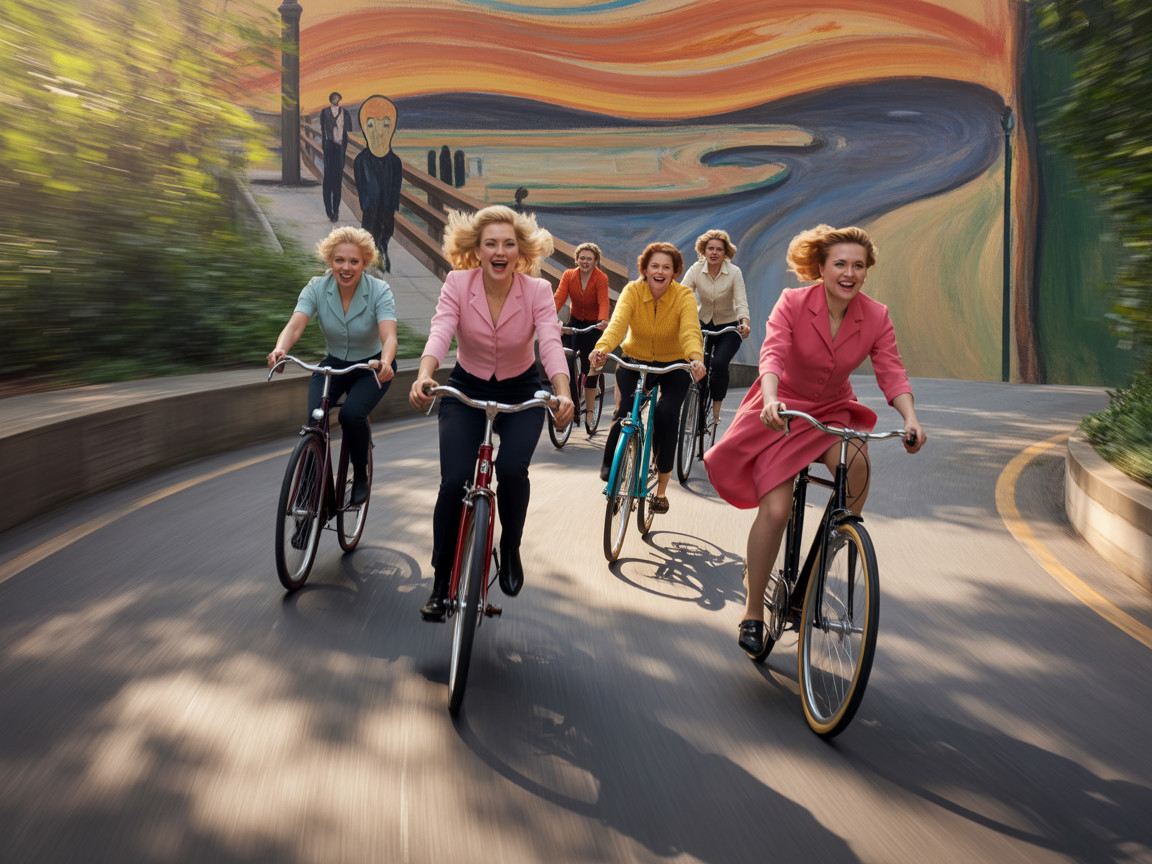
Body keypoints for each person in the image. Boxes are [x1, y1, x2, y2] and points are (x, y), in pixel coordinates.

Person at [702, 224, 926, 658]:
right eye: (840, 264)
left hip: (832, 411)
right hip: (783, 412)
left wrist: (911, 418)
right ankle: (751, 611)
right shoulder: (793, 302)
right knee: (778, 509)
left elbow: (891, 371)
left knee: (857, 466)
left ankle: (827, 558)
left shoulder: (876, 315)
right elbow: (773, 353)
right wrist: (769, 399)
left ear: (866, 271)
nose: (849, 273)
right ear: (820, 268)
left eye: (858, 266)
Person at [409, 205, 574, 621]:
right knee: (454, 482)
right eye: (490, 244)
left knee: (514, 470)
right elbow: (441, 329)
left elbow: (550, 342)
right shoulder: (457, 283)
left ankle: (511, 547)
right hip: (466, 386)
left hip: (522, 388)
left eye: (508, 244)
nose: (500, 252)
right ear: (477, 250)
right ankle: (440, 581)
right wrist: (425, 375)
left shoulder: (536, 291)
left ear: (520, 251)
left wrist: (562, 392)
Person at [267, 226, 399, 506]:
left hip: (372, 367)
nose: (346, 267)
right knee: (315, 423)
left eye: (354, 261)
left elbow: (389, 337)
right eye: (339, 260)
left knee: (351, 415)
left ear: (365, 263)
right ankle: (307, 496)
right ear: (330, 261)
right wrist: (281, 349)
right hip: (334, 364)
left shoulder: (379, 290)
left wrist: (385, 362)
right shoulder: (316, 287)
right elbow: (295, 325)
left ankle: (360, 473)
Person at [588, 242, 705, 514]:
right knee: (623, 412)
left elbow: (690, 330)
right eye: (654, 266)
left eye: (666, 267)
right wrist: (602, 349)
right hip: (634, 359)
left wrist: (695, 357)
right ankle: (611, 466)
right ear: (645, 269)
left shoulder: (684, 295)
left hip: (674, 364)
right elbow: (617, 326)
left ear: (675, 271)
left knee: (666, 415)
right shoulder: (632, 290)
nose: (660, 271)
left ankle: (662, 490)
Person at [680, 229, 751, 428]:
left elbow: (740, 301)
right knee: (700, 363)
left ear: (725, 252)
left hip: (729, 327)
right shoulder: (696, 269)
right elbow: (682, 293)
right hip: (702, 324)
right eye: (710, 248)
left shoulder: (734, 272)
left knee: (719, 364)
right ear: (703, 250)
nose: (714, 253)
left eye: (719, 249)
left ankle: (716, 412)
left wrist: (744, 322)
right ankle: (696, 408)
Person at [553, 242, 610, 424]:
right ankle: (570, 405)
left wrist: (603, 321)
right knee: (564, 359)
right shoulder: (569, 275)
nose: (585, 261)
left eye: (589, 259)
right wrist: (548, 315)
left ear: (595, 261)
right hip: (575, 323)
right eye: (582, 258)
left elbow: (603, 301)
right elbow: (559, 298)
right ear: (576, 259)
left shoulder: (601, 278)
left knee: (591, 369)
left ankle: (591, 412)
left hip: (593, 326)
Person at [353, 95, 403, 273]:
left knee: (387, 227)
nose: (379, 130)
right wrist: (366, 202)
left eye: (386, 124)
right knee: (370, 227)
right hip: (370, 204)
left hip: (388, 204)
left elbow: (396, 186)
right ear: (364, 128)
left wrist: (393, 203)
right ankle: (372, 256)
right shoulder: (361, 161)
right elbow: (360, 185)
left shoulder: (395, 162)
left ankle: (382, 250)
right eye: (372, 124)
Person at [320, 91, 351, 223]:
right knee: (327, 181)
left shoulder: (345, 113)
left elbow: (348, 131)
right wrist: (325, 144)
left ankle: (336, 211)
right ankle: (329, 211)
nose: (335, 99)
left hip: (339, 149)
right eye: (333, 98)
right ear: (330, 99)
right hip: (329, 147)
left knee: (337, 181)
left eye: (337, 98)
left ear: (340, 99)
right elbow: (322, 129)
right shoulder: (324, 112)